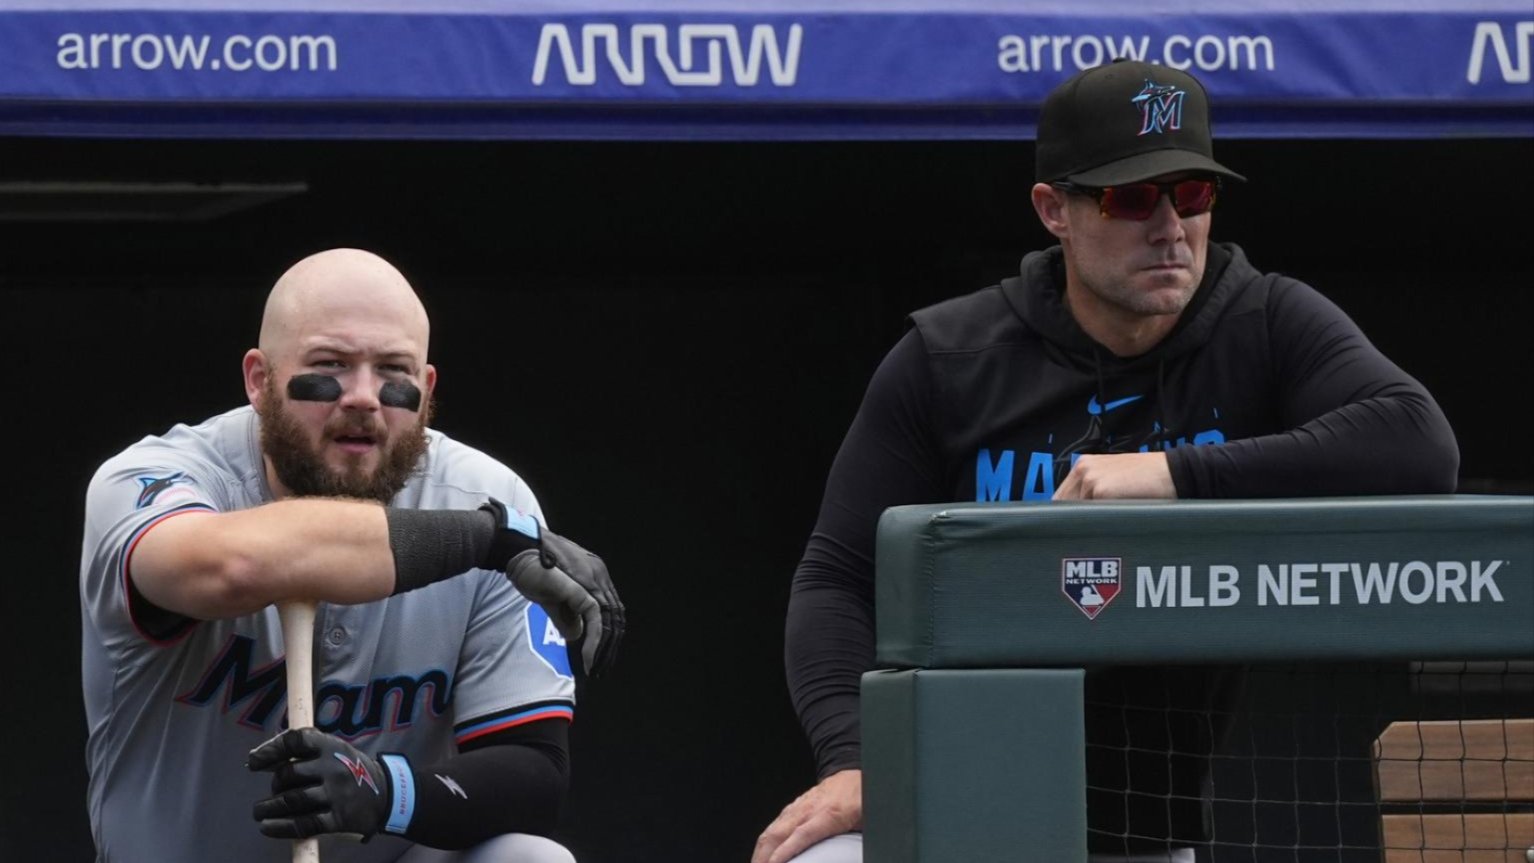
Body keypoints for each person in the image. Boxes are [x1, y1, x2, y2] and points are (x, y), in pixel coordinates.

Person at [753, 59, 1459, 863]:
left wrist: (1170, 474)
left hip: (1144, 827)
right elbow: (837, 578)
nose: (1170, 227)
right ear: (1054, 210)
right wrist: (854, 760)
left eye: (1192, 193)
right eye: (1132, 197)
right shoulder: (950, 357)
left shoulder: (1261, 320)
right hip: (950, 803)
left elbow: (1416, 440)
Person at [80, 248, 625, 863]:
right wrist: (484, 541)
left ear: (427, 386)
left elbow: (535, 772)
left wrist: (385, 789)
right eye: (331, 365)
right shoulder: (157, 476)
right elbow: (228, 566)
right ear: (259, 379)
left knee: (532, 860)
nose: (365, 396)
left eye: (393, 369)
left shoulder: (487, 496)